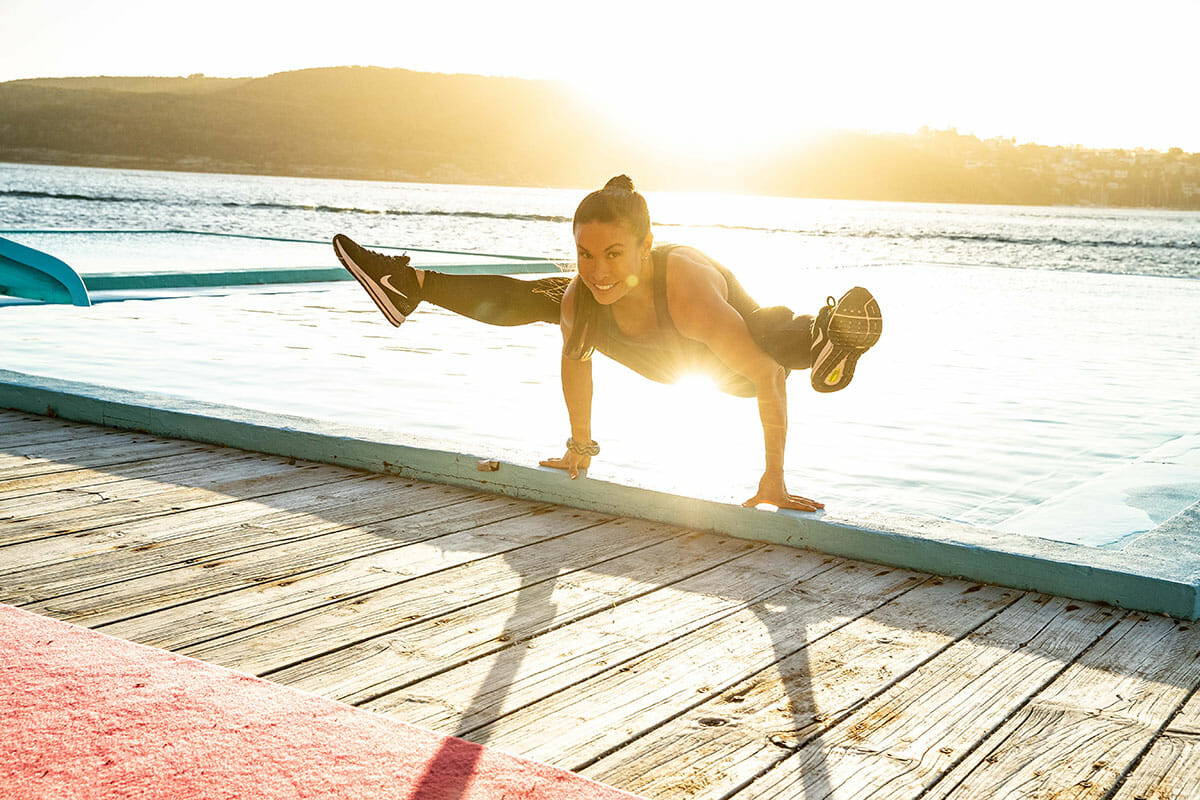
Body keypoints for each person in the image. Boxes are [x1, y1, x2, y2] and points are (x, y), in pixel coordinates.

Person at [332, 175, 881, 511]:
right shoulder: (581, 297)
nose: (597, 270)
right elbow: (577, 369)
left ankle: (820, 337)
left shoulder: (686, 286)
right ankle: (411, 286)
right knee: (556, 299)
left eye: (614, 254)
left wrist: (774, 480)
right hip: (656, 357)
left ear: (646, 246)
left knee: (766, 333)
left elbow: (765, 377)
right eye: (586, 253)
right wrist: (580, 447)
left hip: (727, 367)